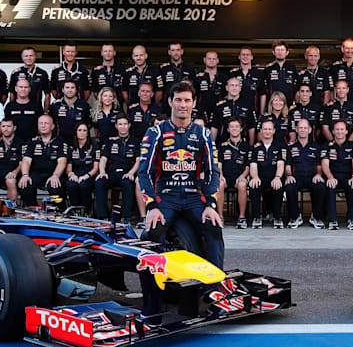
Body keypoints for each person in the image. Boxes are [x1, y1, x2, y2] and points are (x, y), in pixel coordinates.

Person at [137, 80, 224, 267]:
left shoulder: (204, 134)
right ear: (170, 102)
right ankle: (157, 290)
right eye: (178, 100)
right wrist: (151, 206)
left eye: (187, 100)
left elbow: (212, 171)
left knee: (214, 227)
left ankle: (215, 285)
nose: (182, 105)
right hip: (165, 197)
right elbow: (144, 172)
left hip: (194, 197)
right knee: (154, 231)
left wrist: (211, 204)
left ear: (193, 103)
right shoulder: (155, 132)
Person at [94, 115, 141, 221]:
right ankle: (103, 217)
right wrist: (102, 172)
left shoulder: (135, 141)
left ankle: (126, 217)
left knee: (127, 182)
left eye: (125, 124)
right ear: (116, 126)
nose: (123, 127)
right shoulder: (110, 141)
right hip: (112, 173)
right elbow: (103, 159)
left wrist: (131, 173)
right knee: (99, 182)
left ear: (129, 125)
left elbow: (139, 160)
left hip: (127, 172)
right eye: (120, 124)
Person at [18, 115, 69, 207]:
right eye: (41, 123)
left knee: (55, 186)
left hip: (54, 173)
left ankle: (58, 211)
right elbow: (26, 160)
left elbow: (62, 161)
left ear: (52, 126)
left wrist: (55, 175)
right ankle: (33, 209)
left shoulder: (60, 141)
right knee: (25, 184)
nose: (43, 125)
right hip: (36, 174)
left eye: (46, 123)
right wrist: (25, 175)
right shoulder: (32, 141)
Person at [321, 119, 353, 230]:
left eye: (342, 129)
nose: (339, 132)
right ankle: (332, 220)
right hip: (333, 176)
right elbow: (324, 164)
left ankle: (352, 220)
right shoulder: (327, 145)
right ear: (333, 131)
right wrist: (330, 177)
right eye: (337, 129)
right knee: (330, 186)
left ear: (346, 131)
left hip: (348, 176)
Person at [286, 118, 327, 229]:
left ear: (310, 130)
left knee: (321, 187)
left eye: (305, 128)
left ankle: (316, 216)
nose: (303, 130)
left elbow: (319, 166)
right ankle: (295, 217)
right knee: (289, 188)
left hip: (312, 177)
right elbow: (288, 165)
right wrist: (289, 176)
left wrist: (319, 174)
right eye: (300, 128)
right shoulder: (290, 147)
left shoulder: (317, 147)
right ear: (296, 130)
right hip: (296, 177)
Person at [247, 118, 287, 229]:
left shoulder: (280, 146)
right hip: (261, 177)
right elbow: (253, 165)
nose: (267, 131)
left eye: (270, 129)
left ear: (274, 131)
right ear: (261, 131)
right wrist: (254, 177)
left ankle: (277, 217)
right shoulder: (255, 147)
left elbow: (280, 165)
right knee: (253, 185)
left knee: (278, 186)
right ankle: (257, 217)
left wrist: (278, 177)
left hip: (274, 176)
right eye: (265, 129)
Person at [218, 118, 253, 228]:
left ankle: (241, 218)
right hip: (226, 177)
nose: (234, 129)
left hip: (239, 177)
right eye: (232, 126)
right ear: (228, 129)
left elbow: (248, 166)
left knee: (243, 185)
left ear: (241, 129)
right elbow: (219, 164)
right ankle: (220, 217)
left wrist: (242, 176)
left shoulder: (247, 146)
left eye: (237, 126)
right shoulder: (222, 146)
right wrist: (221, 175)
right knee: (219, 184)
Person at [64, 123, 98, 213]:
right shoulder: (71, 147)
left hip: (89, 174)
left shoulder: (94, 146)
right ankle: (75, 211)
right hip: (75, 173)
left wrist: (85, 176)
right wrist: (72, 175)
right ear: (76, 132)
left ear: (88, 133)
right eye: (79, 130)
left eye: (84, 130)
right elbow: (69, 168)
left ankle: (87, 211)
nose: (82, 133)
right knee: (71, 184)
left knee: (84, 185)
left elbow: (95, 168)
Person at [330, 38, 353, 112]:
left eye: (352, 48)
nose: (349, 51)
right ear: (342, 49)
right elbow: (331, 89)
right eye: (347, 48)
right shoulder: (335, 67)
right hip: (338, 106)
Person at [212, 76, 252, 143]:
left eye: (236, 85)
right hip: (223, 143)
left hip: (243, 145)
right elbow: (214, 127)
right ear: (227, 88)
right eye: (232, 85)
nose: (234, 88)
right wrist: (212, 145)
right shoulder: (219, 106)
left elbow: (251, 127)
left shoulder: (247, 105)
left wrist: (251, 146)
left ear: (240, 88)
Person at [228, 46, 265, 114]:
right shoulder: (233, 74)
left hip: (254, 111)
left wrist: (262, 113)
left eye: (247, 55)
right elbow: (228, 94)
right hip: (236, 112)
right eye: (243, 54)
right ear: (239, 57)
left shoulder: (259, 74)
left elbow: (263, 94)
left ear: (252, 57)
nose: (245, 56)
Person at [4, 77, 42, 142]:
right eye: (21, 87)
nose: (23, 89)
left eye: (26, 87)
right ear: (16, 89)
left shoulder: (37, 106)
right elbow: (5, 125)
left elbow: (41, 124)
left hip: (32, 142)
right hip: (14, 142)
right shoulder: (9, 106)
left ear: (29, 89)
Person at [261, 41, 295, 112]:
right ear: (273, 52)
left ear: (287, 52)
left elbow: (296, 89)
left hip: (288, 107)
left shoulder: (292, 68)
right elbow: (263, 90)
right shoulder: (268, 68)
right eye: (278, 50)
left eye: (282, 50)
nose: (280, 52)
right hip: (272, 107)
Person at [195, 49, 223, 119]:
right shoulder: (198, 78)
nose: (211, 60)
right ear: (204, 60)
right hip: (200, 112)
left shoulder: (224, 78)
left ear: (217, 60)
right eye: (209, 58)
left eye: (214, 59)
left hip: (219, 111)